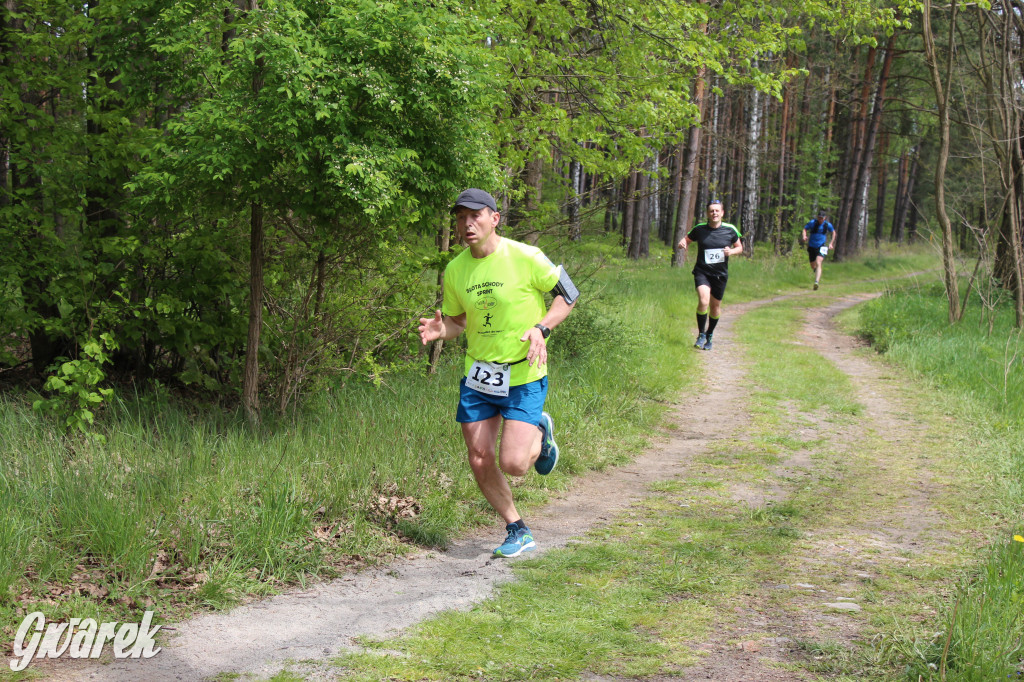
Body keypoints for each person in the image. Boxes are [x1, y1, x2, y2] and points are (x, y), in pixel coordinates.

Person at [418, 188, 578, 558]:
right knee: (478, 455)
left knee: (515, 464)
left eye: (475, 215)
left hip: (523, 374)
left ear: (495, 218)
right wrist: (443, 331)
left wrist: (543, 327)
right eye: (460, 217)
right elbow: (459, 321)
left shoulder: (526, 257)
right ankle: (516, 528)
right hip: (478, 377)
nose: (467, 223)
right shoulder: (456, 269)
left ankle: (540, 428)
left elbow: (568, 293)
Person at [676, 199, 743, 352]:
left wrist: (731, 252)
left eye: (717, 211)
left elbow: (739, 247)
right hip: (702, 271)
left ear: (722, 213)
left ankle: (710, 334)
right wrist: (682, 243)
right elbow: (686, 239)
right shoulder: (700, 229)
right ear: (707, 213)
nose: (714, 213)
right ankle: (701, 334)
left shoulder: (730, 229)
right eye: (711, 211)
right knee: (703, 300)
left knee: (715, 307)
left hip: (720, 274)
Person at [801, 210, 836, 290]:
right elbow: (805, 229)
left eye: (821, 218)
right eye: (819, 218)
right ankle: (817, 272)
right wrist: (804, 236)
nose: (820, 220)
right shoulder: (812, 223)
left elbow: (833, 232)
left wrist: (831, 243)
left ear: (825, 218)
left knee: (818, 262)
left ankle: (816, 282)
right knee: (813, 265)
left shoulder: (827, 225)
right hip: (812, 246)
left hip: (822, 246)